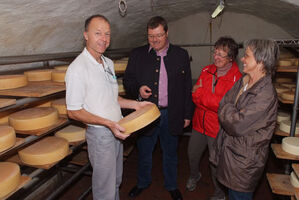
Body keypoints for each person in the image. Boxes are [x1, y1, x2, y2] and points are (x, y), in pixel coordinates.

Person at [65, 14, 150, 200]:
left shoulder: (108, 63)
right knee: (105, 189)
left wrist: (136, 104)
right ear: (86, 35)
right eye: (98, 33)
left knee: (116, 181)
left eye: (107, 34)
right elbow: (73, 111)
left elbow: (112, 98)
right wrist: (108, 124)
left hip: (117, 129)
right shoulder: (77, 69)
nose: (104, 39)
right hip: (101, 134)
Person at [123, 16, 193, 200]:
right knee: (144, 151)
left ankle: (171, 185)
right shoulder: (137, 54)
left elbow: (187, 87)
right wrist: (137, 88)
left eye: (159, 35)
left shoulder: (181, 55)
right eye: (150, 36)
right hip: (146, 114)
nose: (154, 40)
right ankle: (142, 182)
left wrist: (187, 114)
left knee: (170, 153)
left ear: (167, 33)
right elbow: (127, 80)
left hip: (172, 113)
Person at [210, 39, 279, 200]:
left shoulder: (265, 95)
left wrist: (228, 110)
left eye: (247, 56)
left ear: (261, 61)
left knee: (239, 196)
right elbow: (224, 101)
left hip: (244, 162)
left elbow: (236, 124)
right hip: (232, 153)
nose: (242, 58)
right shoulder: (245, 80)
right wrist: (231, 110)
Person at [186, 37, 242, 199]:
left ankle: (219, 192)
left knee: (215, 162)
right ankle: (194, 175)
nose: (216, 57)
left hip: (217, 128)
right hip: (198, 123)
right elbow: (194, 96)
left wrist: (201, 94)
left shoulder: (236, 79)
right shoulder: (206, 70)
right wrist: (206, 98)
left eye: (221, 55)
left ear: (231, 58)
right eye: (215, 52)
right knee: (192, 154)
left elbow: (225, 106)